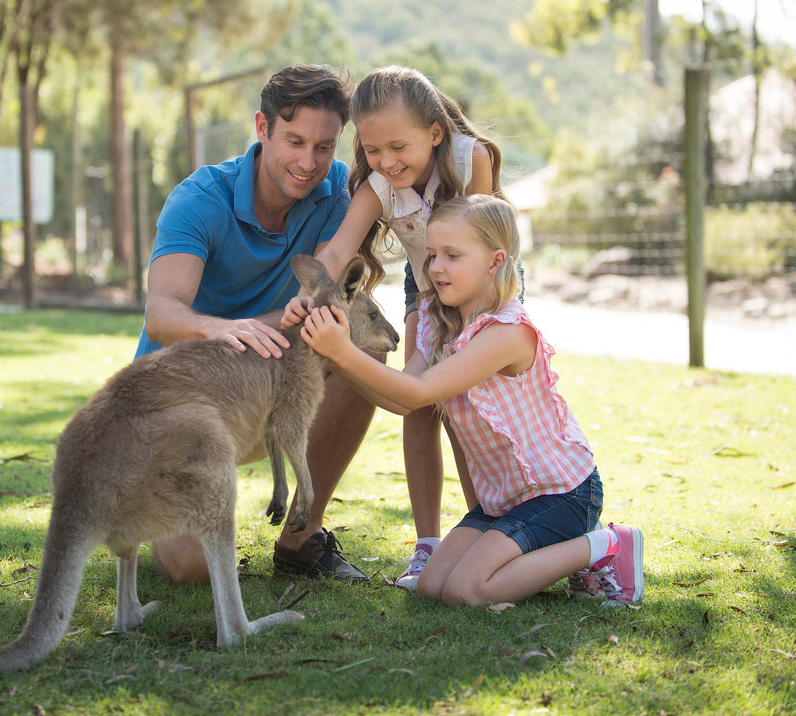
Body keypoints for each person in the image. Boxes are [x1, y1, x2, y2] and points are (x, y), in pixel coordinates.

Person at [299, 195, 644, 606]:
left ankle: (606, 545)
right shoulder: (435, 317)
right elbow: (403, 400)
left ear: (496, 261)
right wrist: (339, 359)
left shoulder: (506, 333)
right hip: (503, 500)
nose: (436, 267)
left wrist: (343, 352)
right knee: (432, 586)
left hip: (559, 494)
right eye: (431, 255)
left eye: (453, 255)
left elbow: (419, 392)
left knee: (468, 591)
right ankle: (570, 558)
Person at [136, 63, 376, 585]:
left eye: (324, 146)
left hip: (273, 386)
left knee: (364, 352)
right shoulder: (201, 198)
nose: (308, 162)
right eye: (294, 141)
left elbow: (321, 300)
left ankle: (301, 535)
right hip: (186, 401)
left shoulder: (337, 190)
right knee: (191, 572)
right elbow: (162, 312)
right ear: (262, 128)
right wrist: (218, 328)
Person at [282, 65, 502, 589]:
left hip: (482, 286)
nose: (386, 162)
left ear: (434, 134)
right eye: (373, 150)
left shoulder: (473, 160)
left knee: (469, 404)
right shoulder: (380, 185)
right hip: (425, 287)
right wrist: (309, 293)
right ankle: (427, 546)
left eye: (398, 147)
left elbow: (486, 243)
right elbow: (338, 248)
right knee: (419, 401)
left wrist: (466, 321)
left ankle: (485, 527)